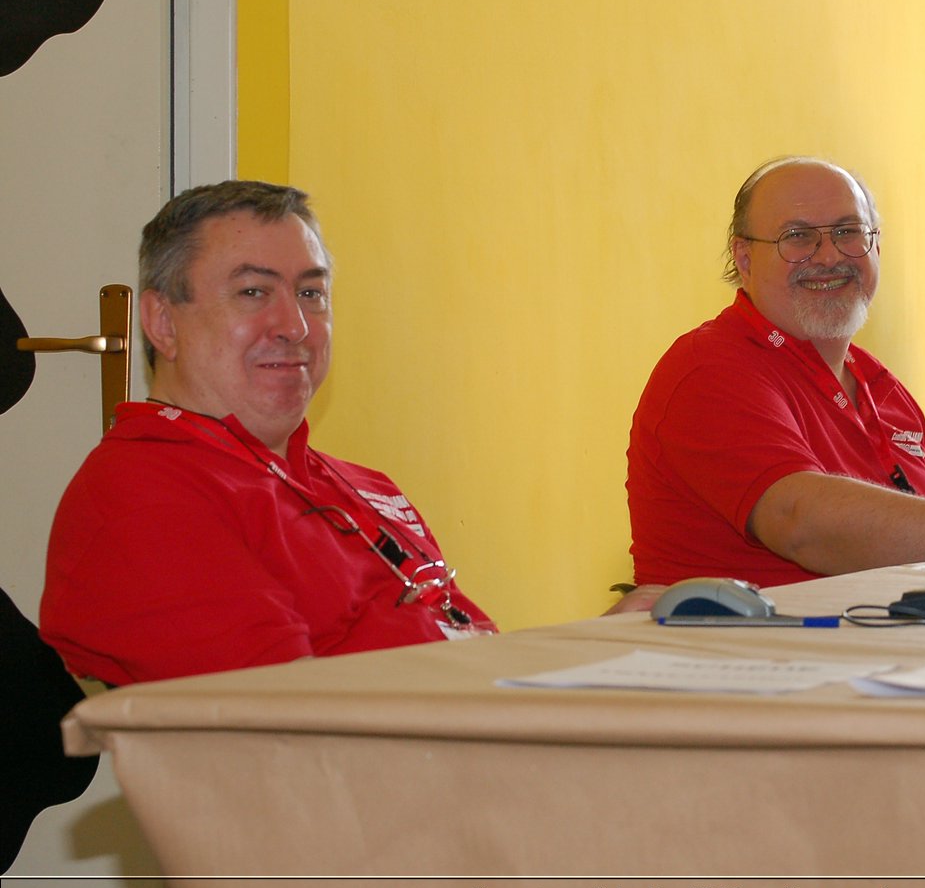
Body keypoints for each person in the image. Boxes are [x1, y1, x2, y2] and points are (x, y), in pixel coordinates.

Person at [41, 181, 653, 687]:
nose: (295, 325)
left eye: (312, 293)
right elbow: (296, 727)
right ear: (161, 322)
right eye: (253, 292)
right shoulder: (144, 495)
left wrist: (595, 644)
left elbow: (456, 654)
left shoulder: (359, 483)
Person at [627, 157, 925, 588]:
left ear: (877, 247)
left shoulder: (884, 389)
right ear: (744, 259)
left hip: (883, 646)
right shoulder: (709, 367)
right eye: (797, 237)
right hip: (751, 652)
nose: (828, 256)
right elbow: (801, 524)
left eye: (848, 232)